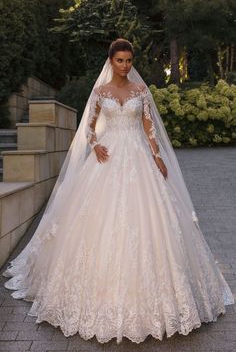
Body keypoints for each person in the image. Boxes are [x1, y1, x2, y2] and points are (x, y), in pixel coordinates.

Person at [2, 38, 234, 344]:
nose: (125, 65)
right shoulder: (101, 92)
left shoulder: (141, 91)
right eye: (120, 60)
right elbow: (89, 125)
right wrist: (96, 145)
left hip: (138, 156)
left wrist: (157, 156)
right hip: (108, 156)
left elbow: (149, 126)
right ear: (111, 61)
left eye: (129, 60)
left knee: (156, 219)